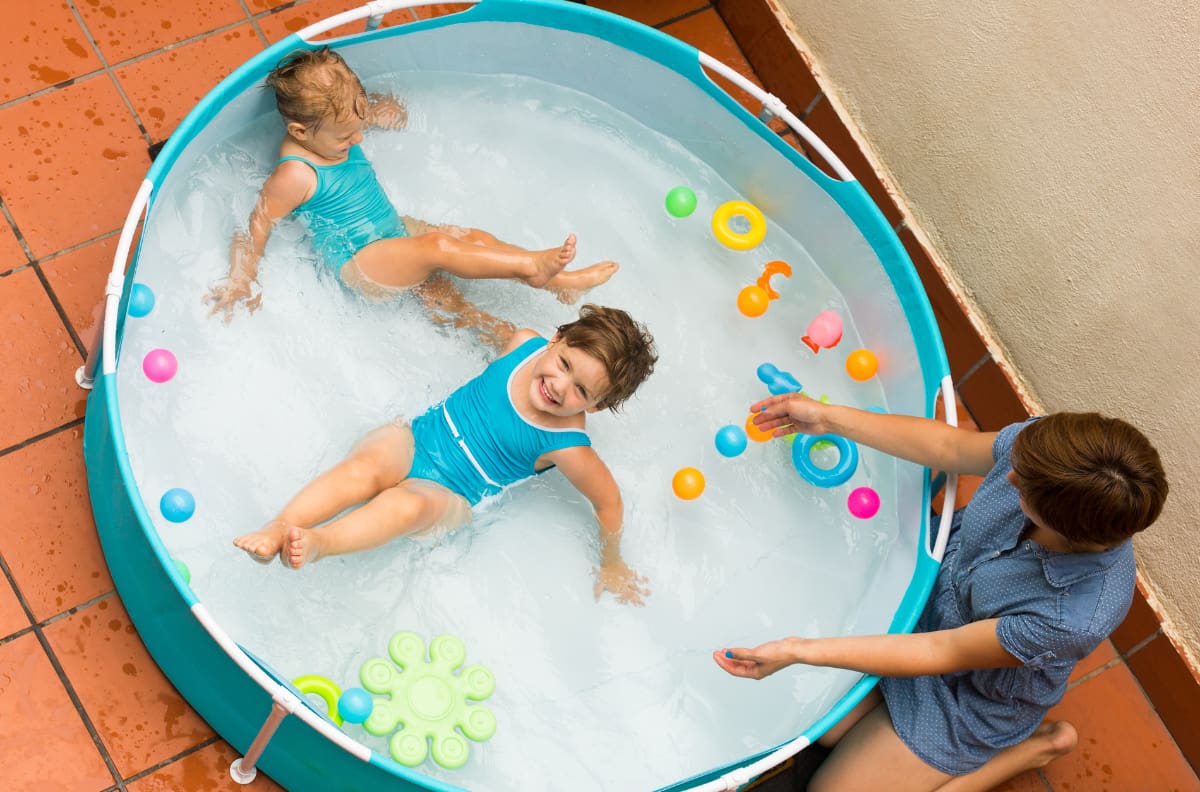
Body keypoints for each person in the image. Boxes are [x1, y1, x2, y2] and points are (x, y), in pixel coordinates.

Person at [713, 394, 1169, 791]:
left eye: (1022, 487)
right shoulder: (1048, 453)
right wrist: (827, 416)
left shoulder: (1070, 616)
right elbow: (950, 447)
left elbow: (940, 650)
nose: (1008, 475)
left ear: (1058, 526)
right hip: (935, 593)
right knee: (823, 723)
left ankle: (1033, 749)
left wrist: (798, 650)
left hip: (969, 691)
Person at [232, 304, 658, 605]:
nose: (560, 387)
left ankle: (321, 542)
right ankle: (279, 527)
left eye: (581, 391)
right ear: (556, 339)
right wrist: (450, 307)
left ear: (596, 407)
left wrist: (612, 561)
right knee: (367, 466)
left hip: (450, 490)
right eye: (564, 365)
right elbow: (488, 338)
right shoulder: (525, 344)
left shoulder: (566, 445)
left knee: (406, 506)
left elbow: (608, 501)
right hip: (420, 438)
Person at [204, 46, 618, 327]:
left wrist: (375, 112)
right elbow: (257, 222)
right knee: (439, 248)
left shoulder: (331, 127)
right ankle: (534, 270)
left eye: (358, 125)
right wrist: (243, 277)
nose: (358, 141)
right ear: (299, 130)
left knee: (467, 247)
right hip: (361, 262)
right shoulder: (295, 174)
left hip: (391, 233)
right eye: (346, 138)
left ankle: (535, 308)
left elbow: (381, 117)